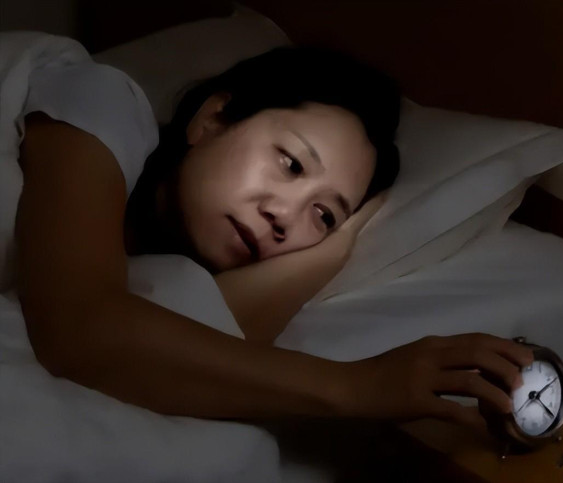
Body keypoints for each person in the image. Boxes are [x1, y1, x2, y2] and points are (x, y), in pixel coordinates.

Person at [15, 43, 533, 432]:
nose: (284, 216)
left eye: (323, 214)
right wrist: (357, 385)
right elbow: (80, 328)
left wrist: (338, 246)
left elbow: (188, 334)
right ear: (211, 120)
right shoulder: (101, 102)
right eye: (290, 164)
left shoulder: (159, 270)